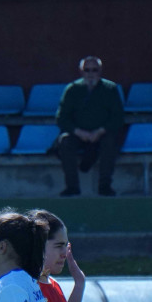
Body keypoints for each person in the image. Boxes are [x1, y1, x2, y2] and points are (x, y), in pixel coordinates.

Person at [55, 56, 124, 198]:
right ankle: (72, 187)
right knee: (65, 141)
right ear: (81, 72)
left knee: (110, 142)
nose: (90, 73)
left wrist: (100, 131)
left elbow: (117, 117)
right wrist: (79, 132)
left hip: (102, 133)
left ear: (100, 71)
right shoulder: (72, 89)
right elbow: (61, 118)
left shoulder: (110, 89)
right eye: (87, 70)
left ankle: (105, 186)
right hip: (78, 134)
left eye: (94, 70)